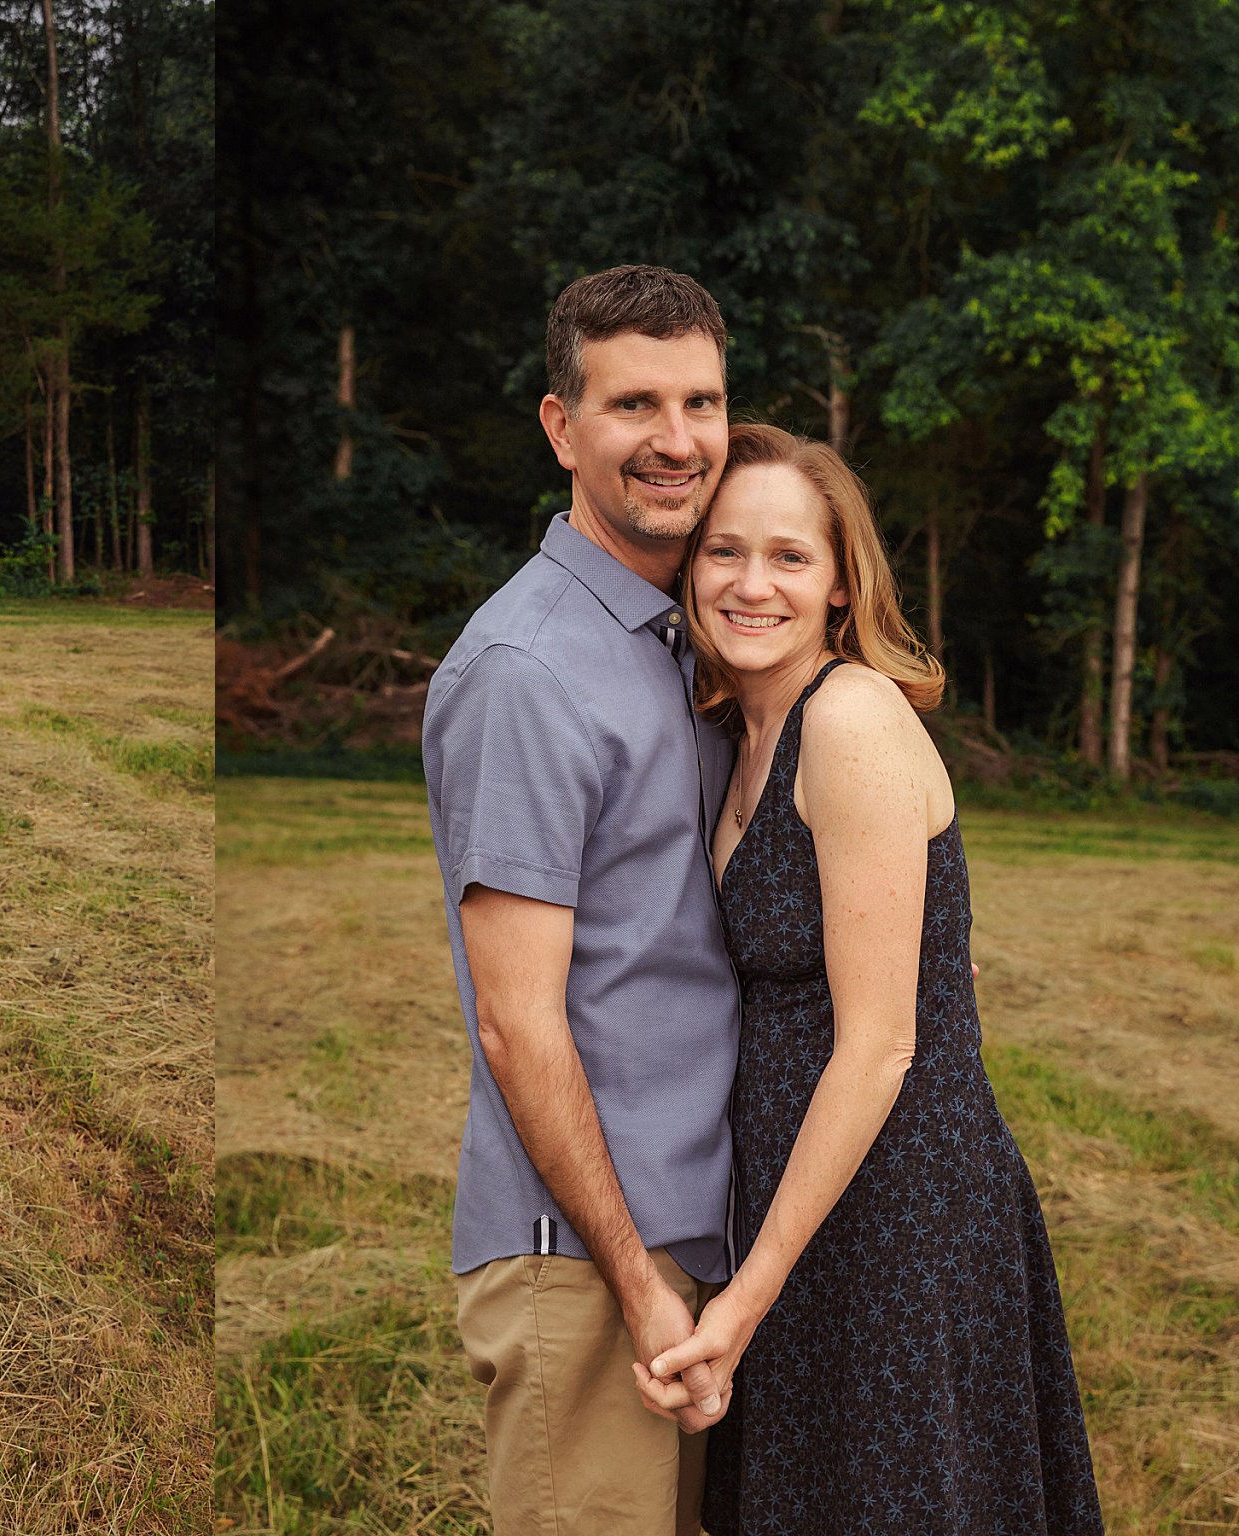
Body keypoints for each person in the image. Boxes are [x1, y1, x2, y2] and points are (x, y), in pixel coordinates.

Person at [636, 422, 1104, 1534]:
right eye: (723, 551)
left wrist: (742, 1302)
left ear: (842, 583)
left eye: (789, 558)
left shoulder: (845, 718)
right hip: (803, 1194)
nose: (751, 585)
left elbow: (880, 1044)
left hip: (894, 1204)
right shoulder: (737, 729)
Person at [421, 264, 739, 1536]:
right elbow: (518, 1023)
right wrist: (635, 1284)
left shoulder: (691, 637)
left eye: (702, 403)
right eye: (633, 405)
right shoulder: (525, 670)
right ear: (560, 427)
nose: (676, 442)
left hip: (707, 1232)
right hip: (593, 1259)